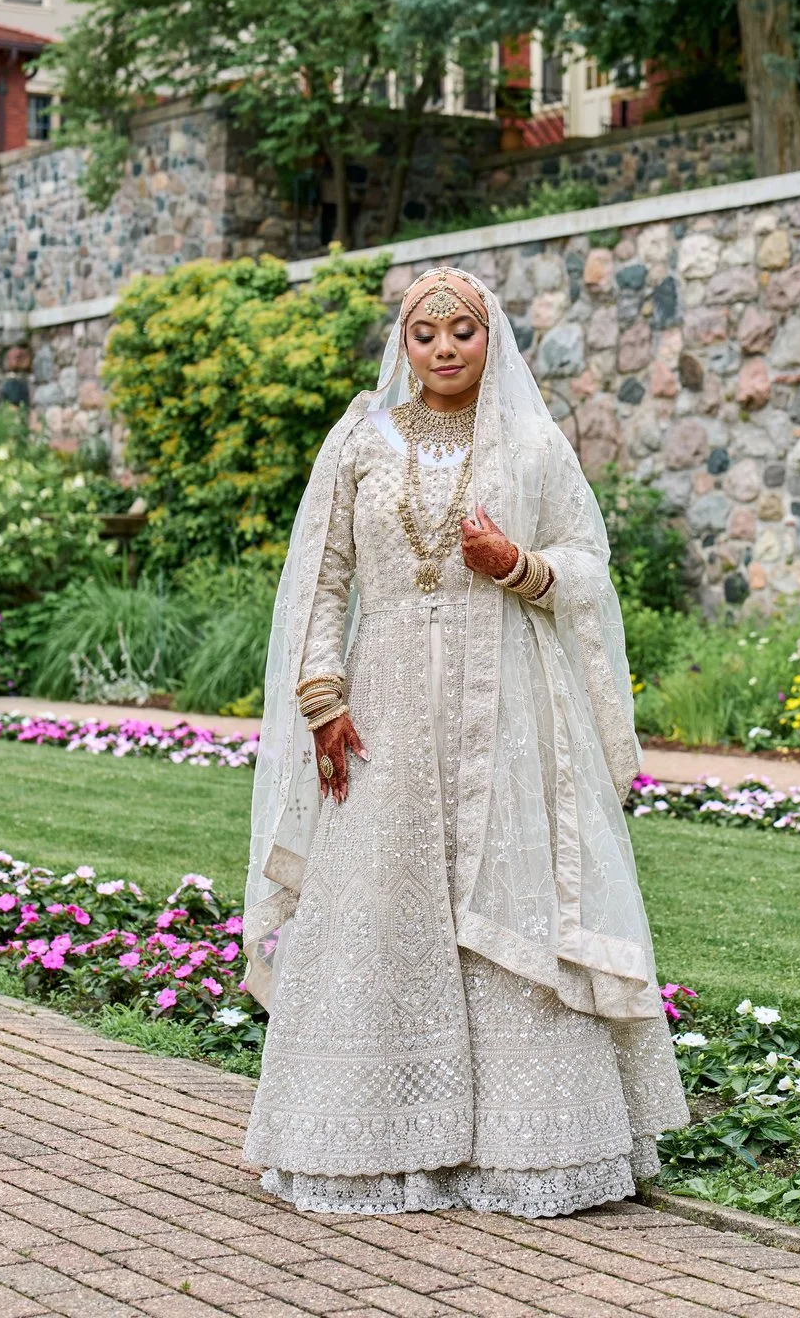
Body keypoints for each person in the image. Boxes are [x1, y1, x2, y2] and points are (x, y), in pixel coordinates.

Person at [241, 264, 689, 1217]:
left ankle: (527, 1148)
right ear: (403, 344)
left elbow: (588, 564)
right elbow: (321, 579)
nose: (444, 349)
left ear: (492, 340)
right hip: (384, 703)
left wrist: (518, 567)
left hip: (507, 703)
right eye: (425, 333)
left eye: (463, 331)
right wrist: (322, 699)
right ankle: (376, 1139)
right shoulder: (359, 439)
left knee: (512, 893)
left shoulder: (530, 442)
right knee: (382, 895)